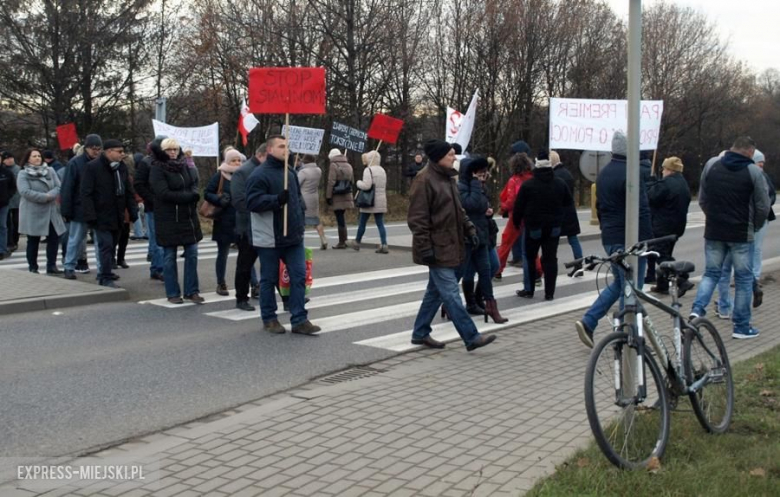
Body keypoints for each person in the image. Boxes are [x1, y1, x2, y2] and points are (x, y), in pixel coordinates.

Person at [408, 139, 496, 352]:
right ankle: (471, 336)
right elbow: (417, 220)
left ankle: (420, 332)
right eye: (450, 155)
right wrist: (425, 247)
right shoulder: (423, 180)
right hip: (436, 248)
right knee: (450, 294)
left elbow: (460, 211)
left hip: (451, 245)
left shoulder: (448, 179)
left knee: (435, 292)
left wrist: (470, 230)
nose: (454, 158)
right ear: (439, 158)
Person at [575, 131, 653, 348]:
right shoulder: (632, 173)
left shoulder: (604, 173)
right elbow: (642, 209)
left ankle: (589, 321)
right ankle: (624, 336)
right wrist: (650, 241)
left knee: (620, 284)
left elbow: (600, 208)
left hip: (610, 236)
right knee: (631, 289)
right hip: (631, 239)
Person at [690, 137, 769, 339]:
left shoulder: (711, 165)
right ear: (750, 152)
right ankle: (741, 327)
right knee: (743, 279)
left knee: (711, 274)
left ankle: (696, 311)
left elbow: (703, 198)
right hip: (741, 233)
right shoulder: (753, 172)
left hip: (714, 231)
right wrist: (755, 225)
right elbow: (763, 206)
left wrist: (713, 217)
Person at [246, 134, 320, 335]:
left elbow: (297, 200)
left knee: (299, 276)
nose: (285, 149)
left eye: (287, 146)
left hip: (293, 237)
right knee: (269, 280)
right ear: (270, 150)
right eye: (281, 146)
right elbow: (252, 203)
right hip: (270, 237)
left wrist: (300, 216)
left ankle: (299, 319)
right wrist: (276, 200)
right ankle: (269, 318)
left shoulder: (290, 172)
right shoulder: (259, 175)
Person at [714, 147, 774, 318]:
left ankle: (722, 307)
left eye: (762, 163)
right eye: (759, 163)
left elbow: (767, 199)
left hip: (736, 227)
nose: (761, 166)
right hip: (741, 226)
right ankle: (741, 300)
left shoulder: (753, 175)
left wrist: (756, 219)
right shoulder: (748, 174)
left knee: (725, 269)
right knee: (741, 265)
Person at [150, 138, 204, 304]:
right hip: (168, 218)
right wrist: (188, 196)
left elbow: (193, 184)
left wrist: (194, 193)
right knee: (169, 256)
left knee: (192, 254)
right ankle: (173, 292)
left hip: (187, 218)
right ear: (163, 152)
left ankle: (191, 290)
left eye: (175, 149)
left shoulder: (184, 166)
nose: (173, 152)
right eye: (169, 150)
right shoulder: (157, 168)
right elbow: (163, 193)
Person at [513, 151, 572, 301]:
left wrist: (516, 222)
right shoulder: (560, 183)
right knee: (551, 259)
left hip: (533, 226)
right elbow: (568, 203)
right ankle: (549, 293)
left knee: (530, 257)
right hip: (554, 227)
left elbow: (518, 207)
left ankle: (529, 289)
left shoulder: (528, 185)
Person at [80, 140, 138, 287]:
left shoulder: (121, 167)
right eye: (119, 151)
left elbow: (128, 191)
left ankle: (105, 272)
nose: (122, 154)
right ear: (109, 151)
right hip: (101, 215)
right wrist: (90, 215)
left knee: (112, 245)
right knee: (105, 246)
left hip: (118, 213)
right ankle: (105, 277)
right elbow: (86, 193)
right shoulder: (93, 167)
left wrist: (133, 210)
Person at [458, 156, 507, 323]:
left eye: (483, 173)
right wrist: (475, 183)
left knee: (487, 271)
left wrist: (488, 211)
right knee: (461, 273)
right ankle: (449, 304)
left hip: (482, 236)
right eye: (478, 173)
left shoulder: (479, 187)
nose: (482, 176)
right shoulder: (461, 187)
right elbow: (472, 204)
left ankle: (491, 306)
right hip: (467, 237)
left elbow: (482, 206)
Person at [646, 156, 692, 295]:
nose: (663, 171)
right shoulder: (683, 183)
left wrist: (650, 183)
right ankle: (663, 284)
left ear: (670, 170)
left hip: (663, 226)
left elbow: (651, 198)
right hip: (677, 226)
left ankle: (682, 279)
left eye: (664, 169)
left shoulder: (666, 184)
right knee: (665, 252)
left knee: (661, 256)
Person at [16, 148, 67, 274]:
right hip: (33, 211)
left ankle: (51, 266)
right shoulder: (23, 173)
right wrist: (44, 197)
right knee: (33, 240)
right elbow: (25, 192)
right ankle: (33, 267)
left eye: (39, 156)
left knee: (54, 239)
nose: (38, 158)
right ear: (28, 158)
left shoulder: (49, 170)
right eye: (34, 156)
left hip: (51, 211)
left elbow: (59, 186)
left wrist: (51, 195)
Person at [205, 148, 245, 297]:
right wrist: (219, 200)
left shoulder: (244, 175)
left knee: (246, 254)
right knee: (223, 253)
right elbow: (207, 193)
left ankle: (254, 284)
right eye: (233, 160)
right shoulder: (220, 175)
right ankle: (221, 282)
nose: (237, 163)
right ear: (227, 161)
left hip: (241, 220)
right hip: (224, 220)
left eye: (239, 160)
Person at [61, 134, 103, 275]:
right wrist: (66, 210)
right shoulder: (75, 163)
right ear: (86, 148)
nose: (96, 151)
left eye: (98, 148)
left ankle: (102, 269)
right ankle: (69, 266)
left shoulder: (102, 162)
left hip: (98, 208)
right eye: (93, 148)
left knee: (100, 241)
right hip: (80, 207)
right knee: (76, 239)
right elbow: (67, 188)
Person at [230, 145, 265, 311]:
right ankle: (241, 298)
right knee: (245, 265)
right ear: (261, 154)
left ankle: (287, 297)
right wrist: (264, 205)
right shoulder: (242, 172)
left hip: (268, 226)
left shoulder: (271, 170)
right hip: (247, 227)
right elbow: (238, 201)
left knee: (275, 263)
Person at [135, 139, 165, 280]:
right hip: (153, 206)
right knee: (156, 239)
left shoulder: (169, 162)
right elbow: (139, 184)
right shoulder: (146, 163)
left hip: (166, 206)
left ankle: (157, 267)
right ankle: (159, 268)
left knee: (161, 239)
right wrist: (151, 199)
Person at [349, 150, 388, 253]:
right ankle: (384, 244)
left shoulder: (368, 170)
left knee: (362, 222)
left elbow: (367, 186)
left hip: (369, 200)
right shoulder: (382, 170)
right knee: (380, 223)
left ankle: (357, 242)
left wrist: (358, 183)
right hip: (380, 199)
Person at [551, 151, 583, 262]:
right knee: (573, 239)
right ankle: (579, 263)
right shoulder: (567, 173)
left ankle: (550, 261)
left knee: (552, 241)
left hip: (558, 213)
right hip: (570, 212)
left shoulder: (554, 176)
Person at [325, 148, 355, 249]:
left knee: (339, 218)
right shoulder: (349, 165)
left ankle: (342, 241)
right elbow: (352, 181)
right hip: (346, 194)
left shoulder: (333, 165)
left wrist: (328, 196)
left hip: (337, 195)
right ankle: (343, 240)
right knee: (341, 217)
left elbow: (331, 182)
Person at [297, 154, 328, 250]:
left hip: (304, 197)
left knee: (301, 220)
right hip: (314, 197)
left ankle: (300, 242)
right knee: (315, 220)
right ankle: (323, 239)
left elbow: (296, 183)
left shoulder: (303, 172)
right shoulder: (318, 170)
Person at [3, 151, 22, 252]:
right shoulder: (4, 170)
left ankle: (15, 239)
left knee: (16, 221)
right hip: (7, 200)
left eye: (10, 158)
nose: (9, 160)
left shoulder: (19, 170)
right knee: (7, 223)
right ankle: (9, 242)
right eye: (6, 158)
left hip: (18, 200)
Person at [0, 156, 17, 259]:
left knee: (2, 226)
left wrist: (7, 196)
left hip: (3, 204)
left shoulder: (6, 173)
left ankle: (2, 249)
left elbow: (12, 187)